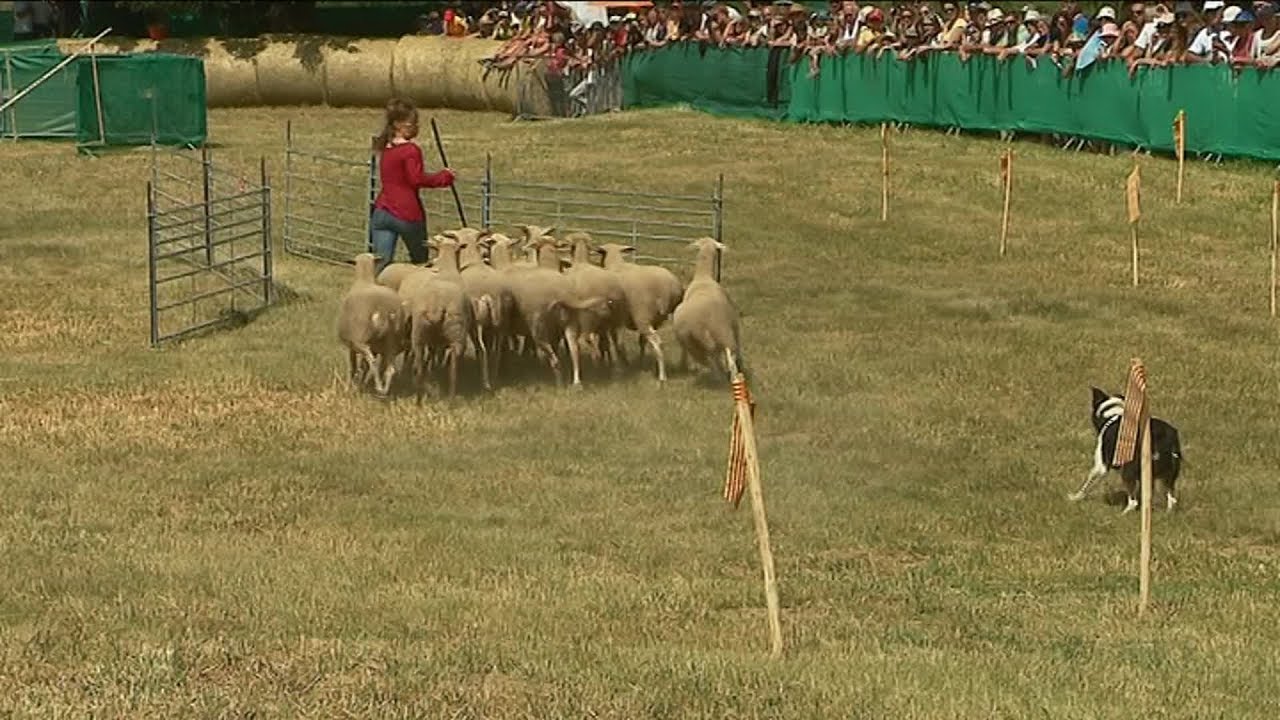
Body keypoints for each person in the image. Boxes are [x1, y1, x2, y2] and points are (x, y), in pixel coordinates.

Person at [368, 99, 457, 275]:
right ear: (398, 125)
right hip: (407, 213)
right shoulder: (410, 150)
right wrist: (443, 177)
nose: (416, 127)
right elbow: (415, 179)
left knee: (381, 263)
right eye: (412, 124)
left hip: (382, 211)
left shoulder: (385, 146)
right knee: (421, 262)